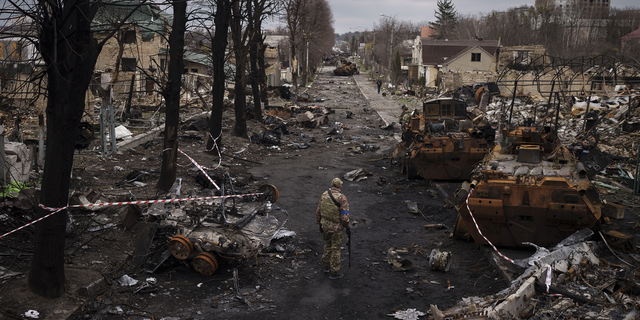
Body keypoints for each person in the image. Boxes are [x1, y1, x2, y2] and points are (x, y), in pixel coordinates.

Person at [316, 177, 350, 280]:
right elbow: (344, 216)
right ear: (340, 186)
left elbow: (318, 211)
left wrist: (319, 223)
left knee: (327, 245)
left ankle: (326, 266)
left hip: (325, 226)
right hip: (336, 229)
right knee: (336, 249)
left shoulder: (324, 194)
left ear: (331, 185)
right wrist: (347, 227)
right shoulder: (342, 198)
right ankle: (334, 272)